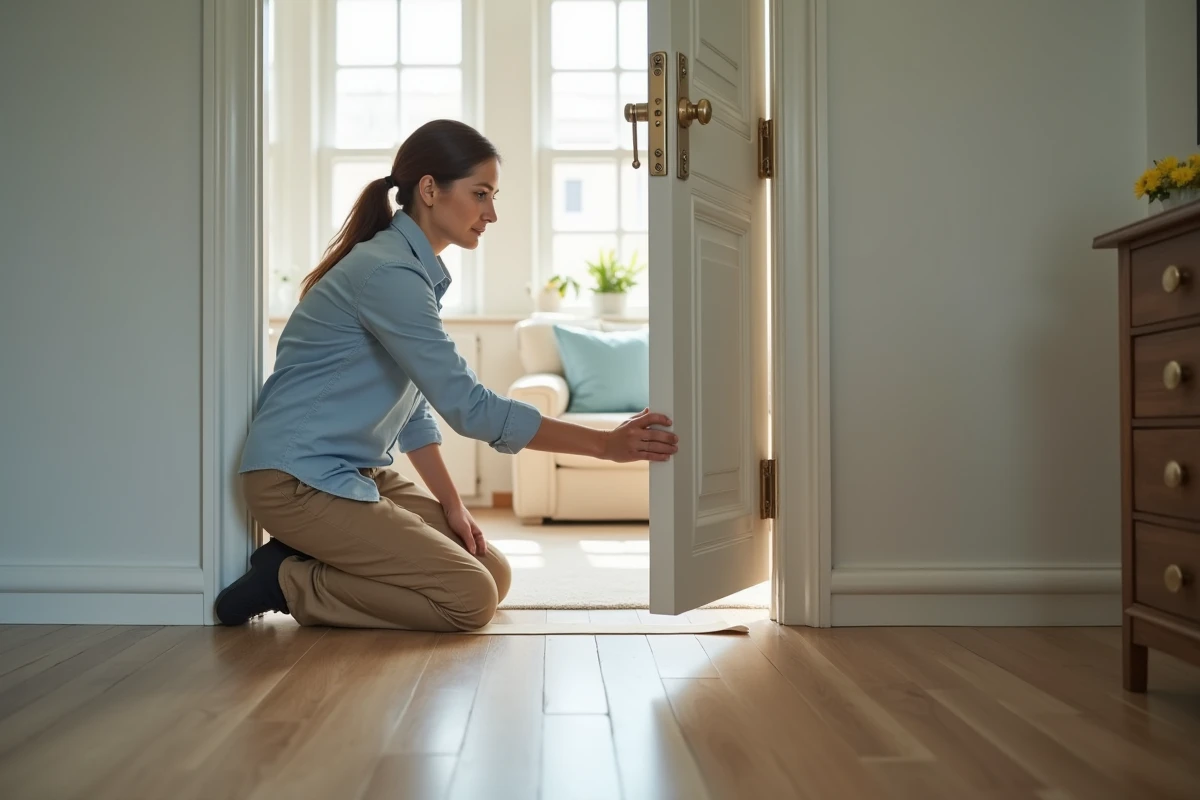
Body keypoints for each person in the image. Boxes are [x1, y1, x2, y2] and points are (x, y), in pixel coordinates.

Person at [215, 119, 678, 631]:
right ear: (430, 189)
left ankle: (318, 557)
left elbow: (413, 412)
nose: (492, 213)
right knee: (469, 599)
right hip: (295, 481)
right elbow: (470, 408)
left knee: (492, 572)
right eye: (481, 194)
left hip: (349, 473)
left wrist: (452, 506)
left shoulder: (409, 271)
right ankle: (287, 580)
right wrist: (603, 446)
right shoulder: (388, 273)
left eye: (494, 196)